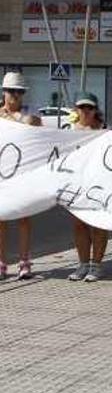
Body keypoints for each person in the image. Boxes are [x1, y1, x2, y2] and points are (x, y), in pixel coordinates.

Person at [0, 72, 40, 280]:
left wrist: (17, 119)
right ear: (4, 92)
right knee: (1, 218)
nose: (15, 95)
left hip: (23, 172)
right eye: (11, 91)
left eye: (19, 91)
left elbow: (37, 126)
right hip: (2, 174)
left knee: (24, 217)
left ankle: (24, 261)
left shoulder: (29, 113)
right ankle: (1, 262)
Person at [67, 91, 108, 283]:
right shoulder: (68, 131)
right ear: (77, 109)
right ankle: (83, 263)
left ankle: (96, 265)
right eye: (82, 107)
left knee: (98, 224)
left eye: (89, 107)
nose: (85, 111)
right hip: (77, 184)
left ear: (95, 110)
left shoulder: (104, 131)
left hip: (99, 184)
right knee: (79, 224)